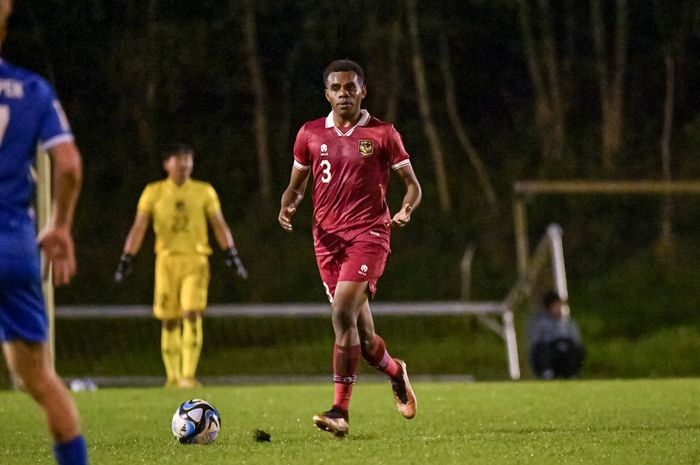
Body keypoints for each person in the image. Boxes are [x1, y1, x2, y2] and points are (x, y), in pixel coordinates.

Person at [278, 59, 422, 438]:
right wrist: (288, 202)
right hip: (326, 241)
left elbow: (412, 184)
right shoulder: (309, 134)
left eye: (350, 87)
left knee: (342, 312)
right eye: (336, 88)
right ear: (326, 94)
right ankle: (395, 370)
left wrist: (406, 208)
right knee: (365, 336)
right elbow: (296, 185)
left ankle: (339, 411)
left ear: (363, 91)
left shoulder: (383, 133)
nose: (344, 93)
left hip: (370, 234)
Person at [0, 1, 89, 464]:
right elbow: (69, 164)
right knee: (38, 378)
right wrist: (59, 226)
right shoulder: (31, 90)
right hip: (14, 245)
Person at [114, 144, 247, 389]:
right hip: (166, 262)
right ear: (167, 164)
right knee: (169, 319)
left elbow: (219, 224)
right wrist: (127, 257)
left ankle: (188, 376)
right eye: (179, 160)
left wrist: (231, 253)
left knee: (192, 313)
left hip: (195, 261)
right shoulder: (153, 192)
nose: (184, 165)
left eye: (188, 160)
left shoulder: (203, 191)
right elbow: (139, 227)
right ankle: (172, 378)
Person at [527, 291, 585, 379]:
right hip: (549, 354)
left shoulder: (568, 323)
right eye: (556, 306)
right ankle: (547, 373)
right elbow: (535, 342)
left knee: (578, 349)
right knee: (542, 350)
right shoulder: (539, 323)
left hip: (565, 353)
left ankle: (571, 373)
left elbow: (576, 340)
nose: (559, 309)